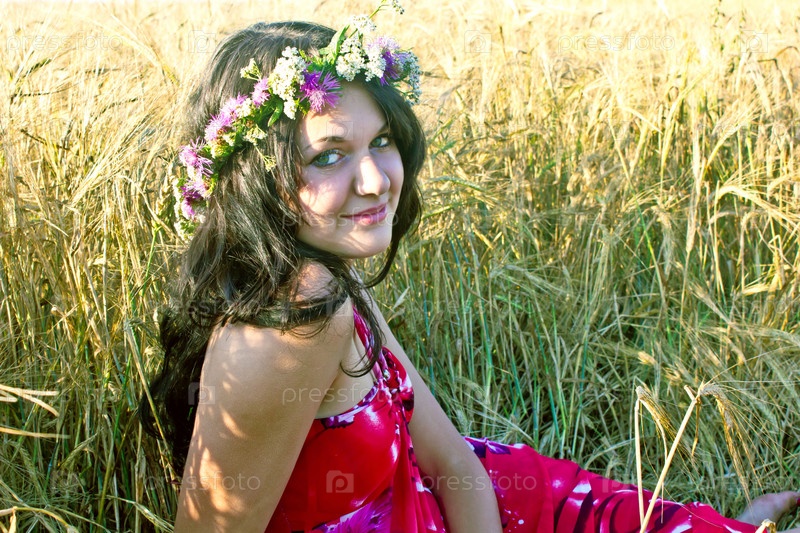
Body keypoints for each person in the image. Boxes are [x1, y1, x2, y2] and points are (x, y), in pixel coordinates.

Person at [138, 2, 800, 531]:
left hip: (479, 497)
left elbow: (451, 461)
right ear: (256, 179)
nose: (376, 180)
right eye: (329, 155)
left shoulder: (330, 279)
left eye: (382, 141)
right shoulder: (284, 329)